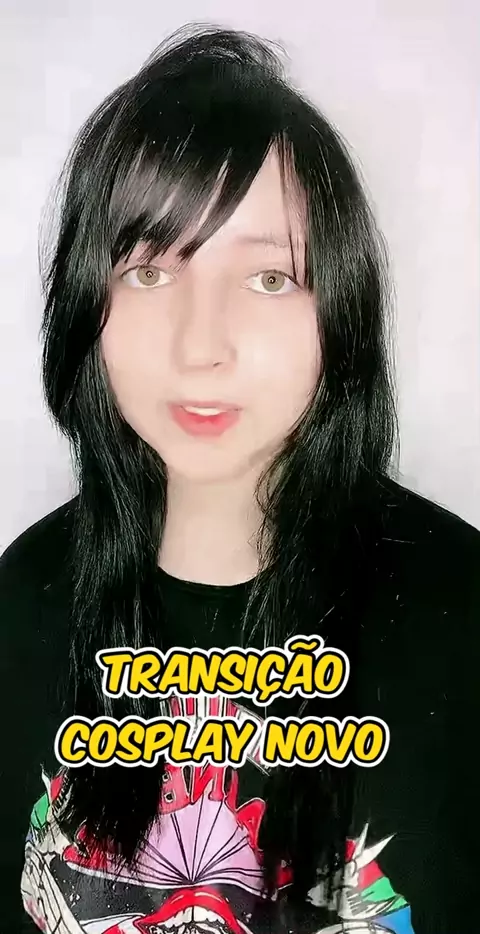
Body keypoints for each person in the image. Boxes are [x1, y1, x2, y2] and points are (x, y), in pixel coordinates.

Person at [0, 23, 478, 934]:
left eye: (268, 278)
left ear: (340, 307)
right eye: (148, 271)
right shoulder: (24, 603)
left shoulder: (462, 614)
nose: (201, 345)